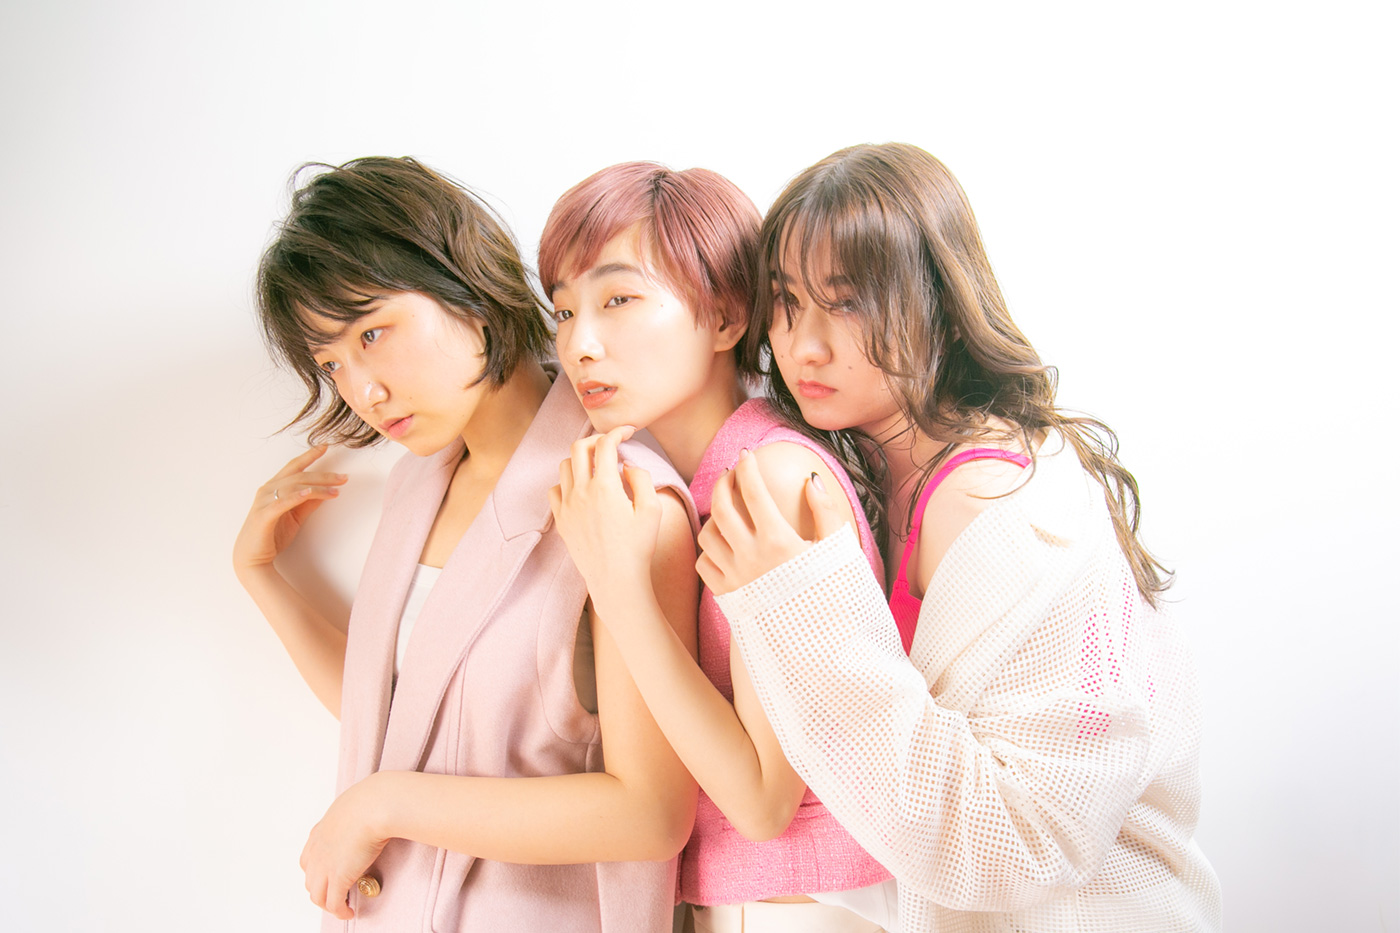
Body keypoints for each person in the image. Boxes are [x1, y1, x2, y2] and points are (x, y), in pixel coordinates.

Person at [695, 143, 1223, 933]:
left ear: (937, 303)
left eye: (847, 304)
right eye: (788, 302)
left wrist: (804, 606)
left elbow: (1021, 842)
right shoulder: (858, 463)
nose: (804, 345)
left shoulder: (994, 504)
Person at [232, 156, 699, 932]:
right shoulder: (419, 482)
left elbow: (649, 813)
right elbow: (399, 715)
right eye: (331, 363)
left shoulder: (618, 494)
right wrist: (263, 578)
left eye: (372, 333)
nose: (363, 390)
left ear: (468, 292)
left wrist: (383, 804)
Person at [542, 162, 895, 933]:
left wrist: (619, 586)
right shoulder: (696, 483)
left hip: (807, 912)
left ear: (728, 317)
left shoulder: (769, 479)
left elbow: (763, 801)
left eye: (618, 299)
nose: (580, 344)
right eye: (564, 311)